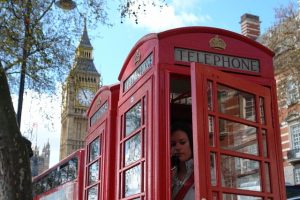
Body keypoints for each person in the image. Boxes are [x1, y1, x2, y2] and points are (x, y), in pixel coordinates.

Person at [171, 122, 195, 200]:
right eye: (173, 144)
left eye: (182, 142)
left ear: (192, 143)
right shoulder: (169, 175)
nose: (177, 147)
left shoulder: (208, 172)